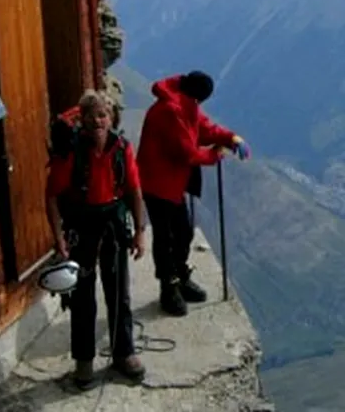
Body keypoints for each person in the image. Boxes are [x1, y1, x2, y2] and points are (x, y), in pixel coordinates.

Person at [45, 90, 147, 390]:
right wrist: (58, 238)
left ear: (111, 116)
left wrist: (140, 231)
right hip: (82, 228)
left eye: (102, 114)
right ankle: (84, 362)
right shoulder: (70, 153)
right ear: (83, 120)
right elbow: (51, 196)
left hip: (114, 226)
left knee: (119, 295)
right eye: (91, 116)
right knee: (82, 297)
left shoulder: (122, 148)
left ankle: (123, 352)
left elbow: (134, 190)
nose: (97, 121)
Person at [137, 71, 250, 316]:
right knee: (166, 236)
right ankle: (169, 288)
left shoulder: (184, 103)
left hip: (172, 183)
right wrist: (215, 155)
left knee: (183, 231)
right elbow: (186, 152)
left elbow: (205, 128)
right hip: (157, 184)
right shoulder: (171, 110)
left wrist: (231, 138)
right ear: (197, 97)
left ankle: (179, 276)